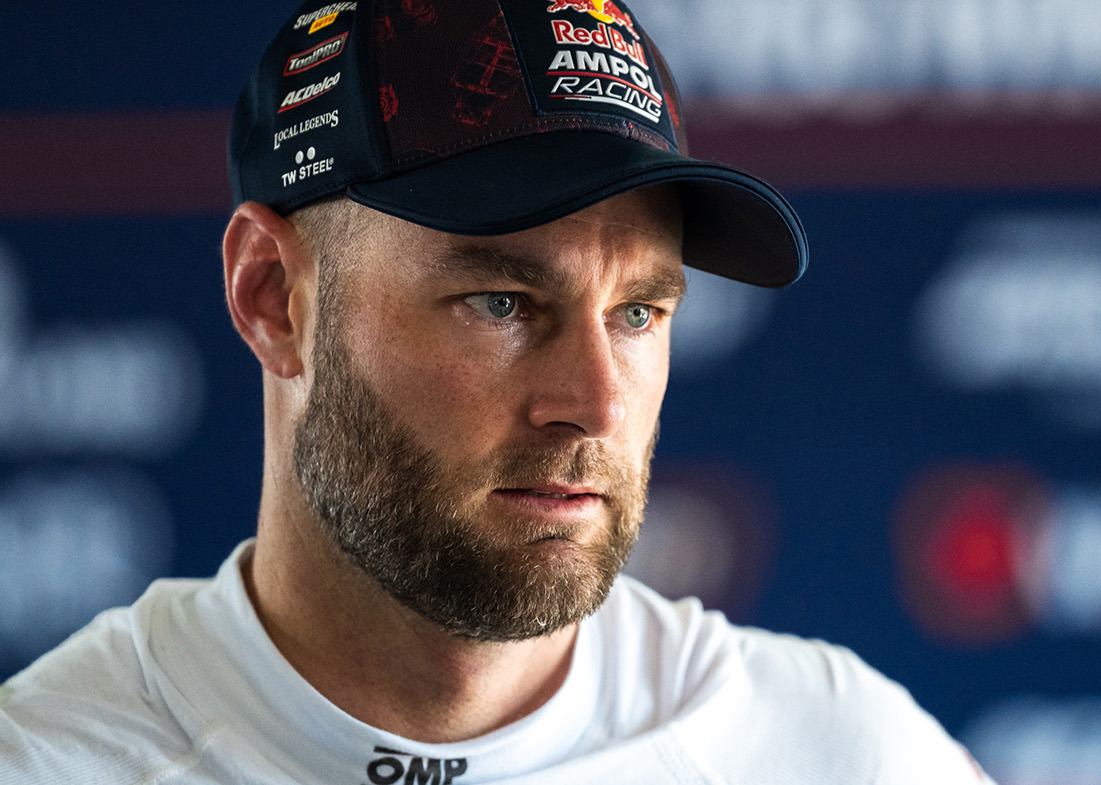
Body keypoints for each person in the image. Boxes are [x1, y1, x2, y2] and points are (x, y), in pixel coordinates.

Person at [0, 1, 991, 782]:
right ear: (273, 298)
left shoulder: (834, 751)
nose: (596, 402)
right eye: (501, 300)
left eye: (639, 311)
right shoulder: (53, 761)